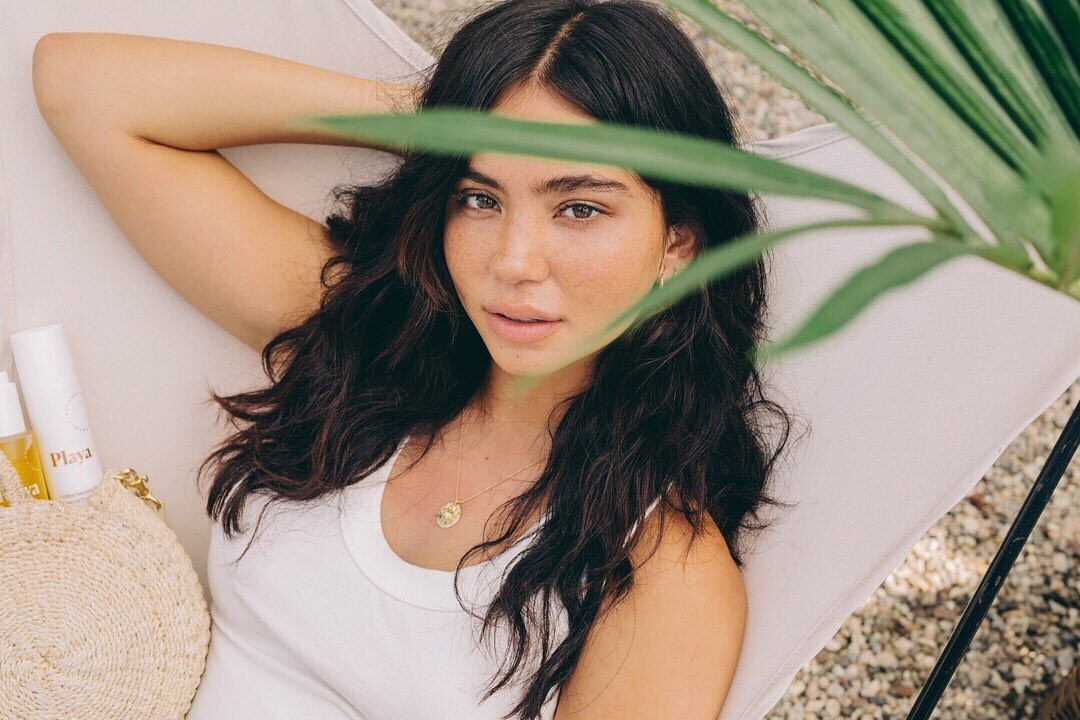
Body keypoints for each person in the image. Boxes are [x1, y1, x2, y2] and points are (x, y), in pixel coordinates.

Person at [32, 1, 799, 717]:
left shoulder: (661, 571)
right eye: (480, 198)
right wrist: (443, 118)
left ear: (677, 245)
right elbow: (80, 86)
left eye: (578, 208)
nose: (513, 260)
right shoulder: (364, 342)